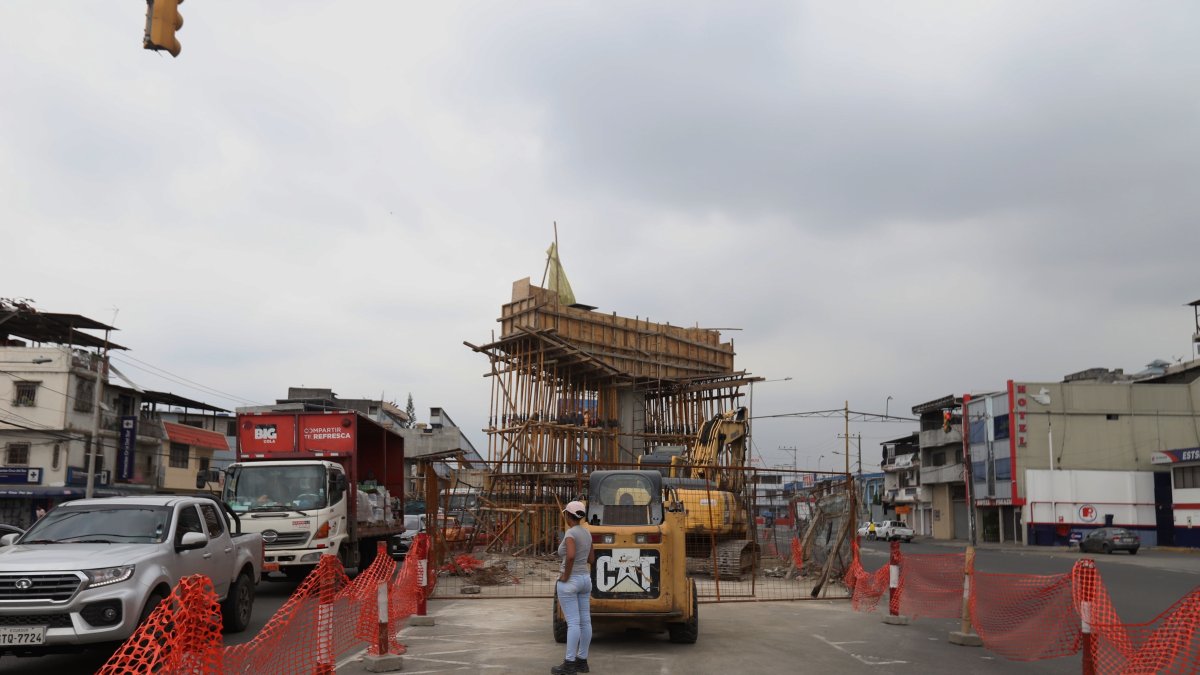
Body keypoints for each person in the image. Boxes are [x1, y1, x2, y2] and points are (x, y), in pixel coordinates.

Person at [551, 500, 593, 674]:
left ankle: (569, 664)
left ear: (568, 515)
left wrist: (566, 576)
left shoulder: (570, 534)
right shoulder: (587, 533)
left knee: (573, 623)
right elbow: (591, 558)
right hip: (585, 579)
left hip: (571, 580)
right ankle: (582, 661)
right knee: (585, 622)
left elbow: (570, 556)